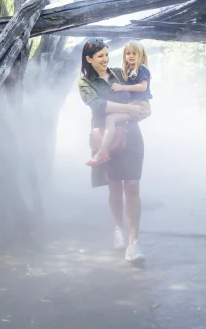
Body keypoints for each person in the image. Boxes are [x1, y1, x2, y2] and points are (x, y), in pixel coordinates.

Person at [77, 38, 147, 262]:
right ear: (89, 59)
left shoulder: (120, 73)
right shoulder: (84, 82)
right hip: (107, 139)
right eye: (100, 56)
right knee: (115, 187)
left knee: (133, 187)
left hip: (132, 135)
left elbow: (142, 100)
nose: (105, 59)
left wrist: (143, 109)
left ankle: (133, 243)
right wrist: (128, 108)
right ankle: (118, 229)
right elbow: (98, 106)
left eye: (107, 55)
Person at [85, 41, 152, 166]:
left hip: (141, 104)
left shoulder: (141, 69)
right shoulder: (129, 70)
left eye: (134, 53)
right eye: (128, 53)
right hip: (135, 104)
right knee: (111, 118)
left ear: (141, 56)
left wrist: (122, 87)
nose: (131, 56)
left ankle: (102, 152)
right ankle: (105, 150)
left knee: (111, 118)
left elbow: (143, 87)